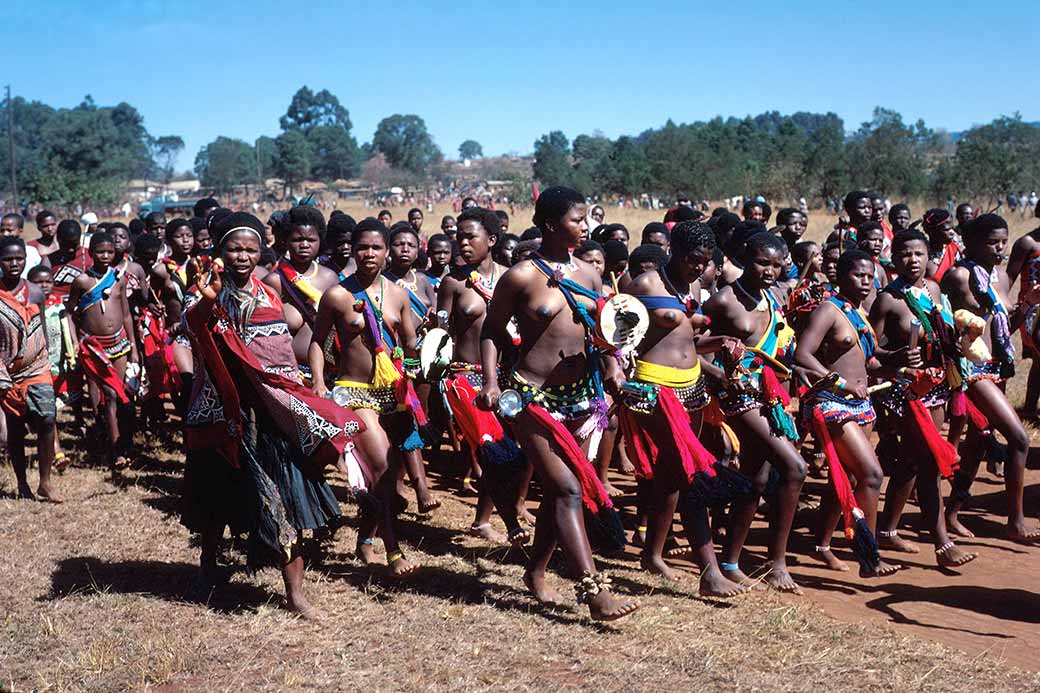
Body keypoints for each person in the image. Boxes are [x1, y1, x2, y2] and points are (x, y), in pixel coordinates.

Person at [181, 211, 368, 617]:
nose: (242, 256)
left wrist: (290, 398)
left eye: (250, 249)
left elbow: (279, 356)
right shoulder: (203, 291)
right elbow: (193, 325)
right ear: (220, 251)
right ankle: (209, 563)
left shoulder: (269, 295)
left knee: (283, 499)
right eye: (234, 248)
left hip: (267, 413)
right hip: (220, 411)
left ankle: (295, 594)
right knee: (216, 497)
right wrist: (209, 301)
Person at [478, 186, 638, 621]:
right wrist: (491, 381)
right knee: (568, 488)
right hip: (530, 397)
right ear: (550, 224)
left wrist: (614, 367)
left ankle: (535, 571)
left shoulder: (588, 273)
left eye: (584, 219)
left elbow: (603, 329)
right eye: (576, 219)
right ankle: (593, 590)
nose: (584, 227)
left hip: (582, 399)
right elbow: (491, 331)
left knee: (556, 493)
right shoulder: (521, 276)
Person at [620, 221, 749, 596]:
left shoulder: (694, 287)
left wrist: (720, 342)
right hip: (653, 388)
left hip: (692, 386)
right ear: (674, 250)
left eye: (705, 262)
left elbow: (688, 338)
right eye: (693, 260)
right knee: (687, 471)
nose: (699, 268)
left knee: (670, 476)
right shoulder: (645, 285)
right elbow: (609, 332)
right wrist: (617, 372)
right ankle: (708, 570)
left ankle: (652, 554)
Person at [308, 217, 423, 575]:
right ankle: (393, 551)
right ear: (352, 250)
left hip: (393, 395)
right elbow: (317, 341)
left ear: (387, 252)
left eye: (376, 247)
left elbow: (409, 343)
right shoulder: (338, 295)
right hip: (354, 394)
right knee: (384, 470)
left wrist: (417, 363)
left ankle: (365, 541)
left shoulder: (399, 294)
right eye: (362, 247)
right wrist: (318, 382)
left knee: (385, 476)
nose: (369, 253)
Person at [701, 232, 807, 592]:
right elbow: (688, 345)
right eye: (763, 263)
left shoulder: (774, 297)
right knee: (795, 467)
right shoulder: (724, 301)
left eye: (778, 265)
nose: (770, 271)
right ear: (745, 257)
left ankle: (730, 561)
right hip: (737, 398)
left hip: (769, 396)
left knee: (757, 480)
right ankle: (776, 562)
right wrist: (720, 375)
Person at [869, 230, 977, 567]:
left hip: (937, 387)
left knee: (912, 462)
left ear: (928, 256)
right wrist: (897, 356)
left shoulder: (933, 289)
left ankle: (886, 530)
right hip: (906, 393)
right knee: (931, 463)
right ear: (894, 257)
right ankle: (943, 544)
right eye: (904, 254)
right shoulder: (888, 299)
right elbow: (870, 349)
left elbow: (941, 333)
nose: (911, 261)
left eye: (918, 254)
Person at [795, 249, 899, 576]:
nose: (866, 282)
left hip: (860, 404)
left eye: (871, 277)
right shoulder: (828, 310)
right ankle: (870, 556)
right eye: (859, 275)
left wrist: (899, 362)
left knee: (846, 479)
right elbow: (802, 355)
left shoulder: (858, 312)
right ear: (840, 276)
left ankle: (821, 546)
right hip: (832, 404)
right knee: (872, 475)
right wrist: (839, 383)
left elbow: (870, 359)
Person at [941, 214, 1040, 542]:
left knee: (979, 441)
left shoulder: (998, 276)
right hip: (969, 371)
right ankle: (1015, 521)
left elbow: (1003, 331)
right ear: (971, 243)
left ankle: (951, 512)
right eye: (992, 242)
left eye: (1003, 241)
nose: (1000, 248)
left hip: (995, 369)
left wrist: (1026, 304)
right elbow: (973, 330)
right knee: (1020, 440)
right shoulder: (960, 276)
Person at [436, 207, 531, 544]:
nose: (461, 243)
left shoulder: (513, 278)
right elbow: (438, 332)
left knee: (512, 453)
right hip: (463, 379)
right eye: (458, 236)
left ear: (491, 240)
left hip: (505, 378)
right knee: (491, 448)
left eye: (469, 236)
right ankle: (511, 524)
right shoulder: (453, 283)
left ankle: (481, 520)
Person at [67, 232, 139, 470]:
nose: (106, 256)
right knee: (106, 394)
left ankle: (113, 439)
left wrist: (134, 349)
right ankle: (116, 449)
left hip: (118, 343)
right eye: (100, 252)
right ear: (91, 253)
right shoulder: (82, 281)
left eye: (109, 252)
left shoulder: (119, 279)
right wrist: (76, 340)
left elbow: (126, 314)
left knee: (116, 395)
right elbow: (69, 312)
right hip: (94, 347)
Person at [0, 237, 61, 502]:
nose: (14, 264)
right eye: (8, 259)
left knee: (47, 417)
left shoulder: (35, 292)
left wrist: (48, 353)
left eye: (19, 259)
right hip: (6, 369)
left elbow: (42, 328)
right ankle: (23, 483)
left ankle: (45, 482)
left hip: (37, 364)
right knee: (14, 426)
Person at [262, 206, 341, 377]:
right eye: (298, 239)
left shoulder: (330, 278)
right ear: (285, 241)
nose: (304, 245)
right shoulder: (275, 281)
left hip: (331, 373)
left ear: (320, 241)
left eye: (311, 240)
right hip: (290, 375)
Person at [1006, 200, 1040, 417]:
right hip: (1032, 309)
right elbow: (1008, 278)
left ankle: (1029, 409)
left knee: (1039, 360)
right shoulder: (1027, 243)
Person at [383, 225, 436, 323]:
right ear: (388, 250)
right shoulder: (383, 281)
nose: (405, 249)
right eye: (399, 244)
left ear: (417, 253)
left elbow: (435, 309)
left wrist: (432, 313)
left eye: (411, 245)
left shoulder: (423, 280)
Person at [47, 220, 91, 301]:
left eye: (74, 244)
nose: (71, 249)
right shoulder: (49, 260)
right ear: (58, 239)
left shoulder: (91, 256)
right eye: (66, 244)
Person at [323, 212, 357, 281]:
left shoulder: (361, 266)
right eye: (340, 243)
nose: (346, 247)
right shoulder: (324, 270)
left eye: (349, 242)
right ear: (330, 242)